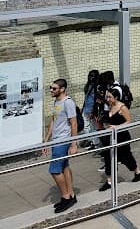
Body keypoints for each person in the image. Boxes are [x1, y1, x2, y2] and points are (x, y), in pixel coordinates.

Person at [43, 78, 78, 213]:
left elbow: (73, 123)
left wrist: (74, 144)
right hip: (55, 140)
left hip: (63, 141)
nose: (51, 90)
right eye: (51, 88)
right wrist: (46, 140)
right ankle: (71, 194)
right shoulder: (56, 101)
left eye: (54, 88)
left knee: (54, 170)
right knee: (64, 167)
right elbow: (53, 121)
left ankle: (66, 197)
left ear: (62, 89)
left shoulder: (68, 103)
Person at [98, 86, 140, 191]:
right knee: (108, 157)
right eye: (107, 97)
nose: (108, 99)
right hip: (110, 137)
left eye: (110, 97)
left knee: (125, 157)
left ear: (116, 97)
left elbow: (128, 121)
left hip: (122, 136)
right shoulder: (109, 106)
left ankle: (137, 171)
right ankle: (109, 181)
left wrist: (116, 127)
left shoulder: (122, 107)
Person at [81, 69, 101, 149]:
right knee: (86, 127)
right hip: (86, 109)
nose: (90, 77)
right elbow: (86, 98)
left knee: (93, 127)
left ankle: (96, 143)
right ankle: (91, 141)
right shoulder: (88, 85)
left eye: (92, 76)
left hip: (92, 110)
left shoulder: (97, 87)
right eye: (89, 75)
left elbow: (96, 100)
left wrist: (93, 111)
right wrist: (83, 107)